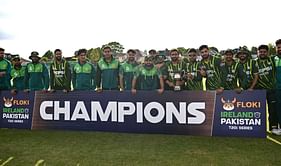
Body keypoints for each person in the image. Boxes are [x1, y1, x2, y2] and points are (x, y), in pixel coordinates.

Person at [255, 45, 279, 135]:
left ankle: (273, 127)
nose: (262, 53)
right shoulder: (255, 63)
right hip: (260, 90)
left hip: (272, 89)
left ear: (267, 52)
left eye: (264, 52)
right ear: (258, 52)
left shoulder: (272, 59)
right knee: (258, 110)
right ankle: (258, 128)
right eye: (260, 52)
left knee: (272, 109)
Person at [274, 39, 281, 135]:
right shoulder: (273, 59)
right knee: (278, 108)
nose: (280, 49)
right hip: (277, 88)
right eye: (278, 47)